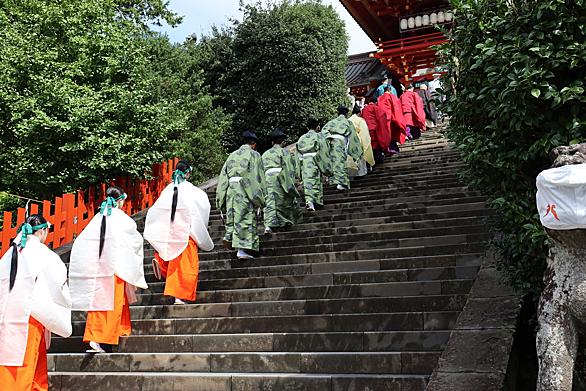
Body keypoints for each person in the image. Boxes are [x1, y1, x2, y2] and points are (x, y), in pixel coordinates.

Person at [69, 186, 147, 353]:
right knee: (111, 303)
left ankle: (118, 329)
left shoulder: (97, 218)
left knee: (100, 302)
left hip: (98, 269)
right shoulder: (123, 219)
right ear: (120, 201)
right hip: (115, 268)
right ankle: (100, 338)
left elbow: (83, 243)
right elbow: (135, 241)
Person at [0, 215, 72, 390]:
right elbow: (58, 280)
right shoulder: (42, 253)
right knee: (24, 365)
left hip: (6, 315)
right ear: (42, 231)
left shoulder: (9, 253)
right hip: (30, 317)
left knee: (12, 362)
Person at [144, 161, 214, 304]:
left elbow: (156, 211)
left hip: (169, 233)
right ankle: (179, 296)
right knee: (186, 265)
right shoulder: (193, 191)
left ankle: (161, 260)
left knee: (171, 258)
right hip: (185, 233)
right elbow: (201, 210)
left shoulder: (168, 190)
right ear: (187, 173)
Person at [216, 131, 266, 260]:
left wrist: (220, 198)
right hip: (245, 188)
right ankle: (242, 250)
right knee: (244, 217)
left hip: (231, 190)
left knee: (233, 217)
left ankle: (233, 241)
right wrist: (261, 197)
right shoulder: (254, 155)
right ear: (253, 144)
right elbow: (257, 176)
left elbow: (222, 178)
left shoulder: (231, 156)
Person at [262, 128, 302, 235]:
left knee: (269, 201)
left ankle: (268, 225)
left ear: (272, 141)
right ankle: (283, 222)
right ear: (282, 141)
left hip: (267, 179)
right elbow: (289, 168)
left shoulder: (265, 154)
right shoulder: (285, 152)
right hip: (281, 177)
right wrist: (294, 181)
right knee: (283, 200)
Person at [322, 105, 363, 191]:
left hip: (332, 141)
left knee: (334, 161)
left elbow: (324, 131)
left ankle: (335, 181)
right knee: (340, 162)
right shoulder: (348, 123)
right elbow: (353, 137)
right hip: (341, 142)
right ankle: (340, 183)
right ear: (347, 113)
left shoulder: (331, 122)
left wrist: (329, 138)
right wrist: (356, 151)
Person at [297, 118, 331, 211]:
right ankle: (316, 201)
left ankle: (309, 200)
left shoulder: (301, 138)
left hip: (304, 160)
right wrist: (327, 168)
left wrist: (299, 167)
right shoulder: (319, 136)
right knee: (315, 180)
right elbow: (323, 151)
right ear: (317, 127)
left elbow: (298, 154)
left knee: (307, 181)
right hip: (315, 159)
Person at [376, 86, 407, 155]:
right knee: (392, 134)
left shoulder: (379, 98)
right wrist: (399, 120)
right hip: (391, 118)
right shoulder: (392, 97)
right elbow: (396, 108)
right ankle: (393, 149)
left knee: (386, 134)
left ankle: (388, 149)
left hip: (383, 119)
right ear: (390, 90)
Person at [349, 104, 375, 175]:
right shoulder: (360, 120)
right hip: (358, 139)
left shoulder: (348, 120)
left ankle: (353, 173)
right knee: (361, 157)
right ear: (359, 113)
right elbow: (364, 133)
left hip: (348, 141)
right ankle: (361, 173)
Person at [362, 97, 385, 164]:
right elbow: (381, 118)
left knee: (370, 145)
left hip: (366, 130)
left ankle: (372, 160)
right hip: (375, 129)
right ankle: (378, 159)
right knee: (377, 145)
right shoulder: (376, 108)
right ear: (376, 102)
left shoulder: (364, 109)